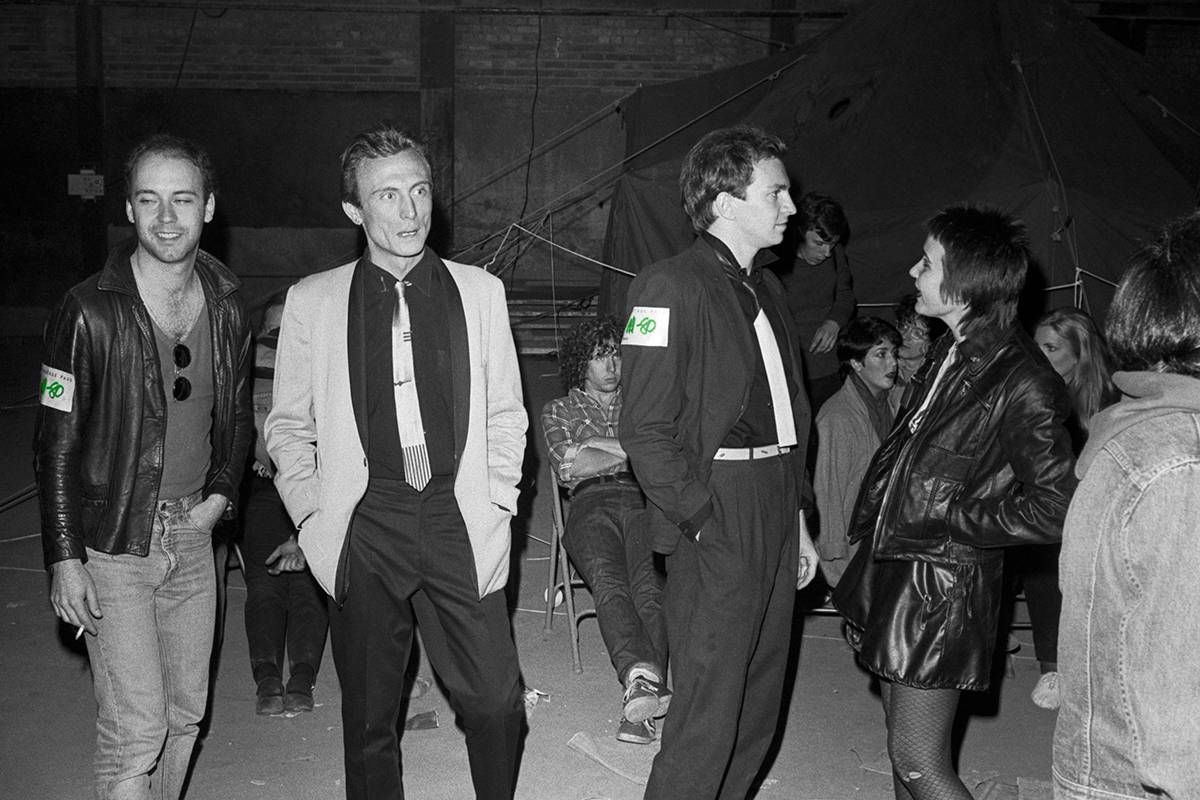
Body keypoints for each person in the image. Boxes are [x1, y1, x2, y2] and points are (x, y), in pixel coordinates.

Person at [265, 123, 526, 800]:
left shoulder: (480, 292)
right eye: (387, 196)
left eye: (419, 190)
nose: (409, 212)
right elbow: (288, 426)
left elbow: (507, 415)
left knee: (497, 703)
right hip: (366, 517)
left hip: (454, 510)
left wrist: (498, 501)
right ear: (355, 210)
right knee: (370, 720)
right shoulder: (313, 302)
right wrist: (318, 522)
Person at [832, 205, 1076, 800]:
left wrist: (955, 519)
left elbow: (1057, 505)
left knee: (919, 763)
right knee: (901, 748)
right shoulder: (952, 349)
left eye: (928, 262)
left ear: (965, 283)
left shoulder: (1022, 379)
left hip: (941, 585)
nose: (914, 271)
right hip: (900, 565)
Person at [34, 134, 253, 800]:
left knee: (186, 715)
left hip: (193, 536)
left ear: (207, 207)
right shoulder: (86, 310)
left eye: (182, 199)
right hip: (113, 543)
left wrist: (219, 497)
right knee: (137, 727)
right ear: (128, 210)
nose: (166, 217)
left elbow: (237, 418)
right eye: (149, 200)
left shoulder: (227, 301)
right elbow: (54, 442)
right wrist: (63, 557)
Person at [620, 124, 820, 800]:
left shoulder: (767, 290)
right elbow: (643, 429)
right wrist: (702, 520)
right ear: (726, 202)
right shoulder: (665, 287)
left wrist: (797, 519)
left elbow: (790, 412)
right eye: (778, 193)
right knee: (708, 712)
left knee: (757, 707)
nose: (791, 208)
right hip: (718, 499)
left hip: (774, 493)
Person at [1053, 215, 1200, 800]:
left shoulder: (1137, 433)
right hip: (1140, 783)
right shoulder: (1181, 464)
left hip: (1104, 765)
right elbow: (1180, 695)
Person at [541, 315, 668, 746]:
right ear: (582, 364)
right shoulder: (558, 409)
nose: (611, 365)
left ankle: (641, 688)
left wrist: (596, 449)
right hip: (590, 504)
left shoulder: (642, 401)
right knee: (611, 584)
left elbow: (661, 454)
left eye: (615, 353)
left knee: (649, 586)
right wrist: (631, 450)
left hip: (642, 499)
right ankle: (645, 677)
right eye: (600, 356)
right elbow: (568, 465)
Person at [1017, 307, 1117, 710]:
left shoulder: (1109, 402)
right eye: (1036, 345)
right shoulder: (1037, 393)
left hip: (1096, 513)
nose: (1040, 355)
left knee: (1048, 548)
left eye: (1051, 347)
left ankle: (1060, 665)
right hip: (1050, 510)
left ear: (1080, 353)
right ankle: (1047, 662)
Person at [242, 292, 328, 715]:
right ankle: (271, 681)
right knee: (268, 581)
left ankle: (297, 680)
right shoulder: (250, 372)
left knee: (306, 583)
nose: (279, 342)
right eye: (273, 331)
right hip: (263, 493)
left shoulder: (319, 372)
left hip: (312, 491)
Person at [813, 316, 900, 587]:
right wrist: (833, 557)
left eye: (894, 354)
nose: (893, 363)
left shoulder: (892, 404)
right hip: (853, 553)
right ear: (856, 363)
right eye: (881, 355)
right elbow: (827, 491)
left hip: (885, 542)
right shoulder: (836, 417)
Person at [775, 192, 857, 411]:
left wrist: (834, 321)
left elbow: (846, 294)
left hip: (830, 365)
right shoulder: (775, 261)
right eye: (819, 243)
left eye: (833, 244)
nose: (827, 252)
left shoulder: (835, 253)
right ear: (800, 233)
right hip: (790, 367)